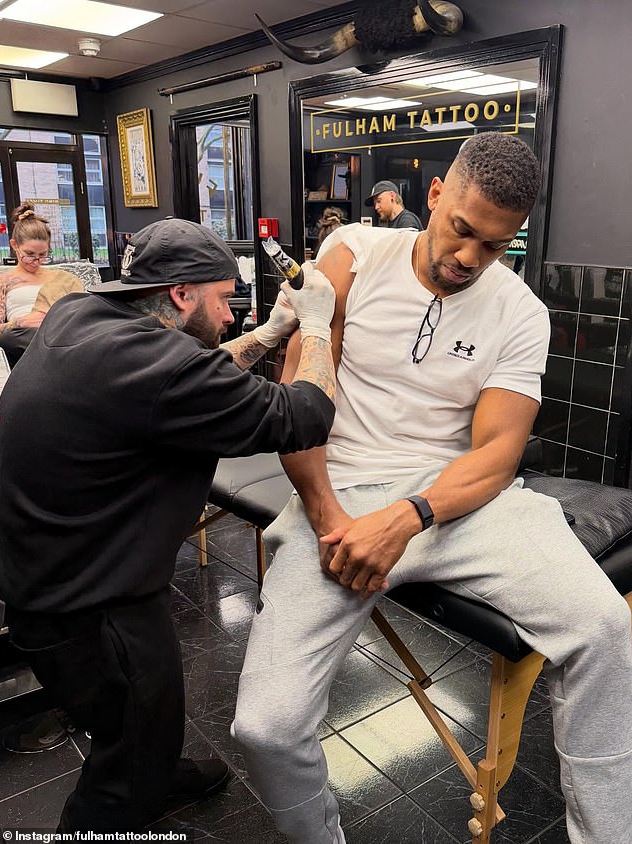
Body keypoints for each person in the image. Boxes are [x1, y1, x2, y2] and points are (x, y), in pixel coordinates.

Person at [233, 132, 632, 844]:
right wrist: (329, 518)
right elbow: (299, 402)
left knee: (606, 629)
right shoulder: (353, 253)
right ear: (436, 196)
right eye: (463, 232)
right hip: (341, 488)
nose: (470, 259)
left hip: (456, 500)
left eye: (496, 246)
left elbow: (499, 454)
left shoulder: (520, 312)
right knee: (265, 726)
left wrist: (408, 516)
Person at [0, 217, 337, 833]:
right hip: (88, 604)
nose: (231, 314)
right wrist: (315, 324)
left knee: (143, 711)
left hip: (47, 567)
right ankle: (132, 788)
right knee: (126, 752)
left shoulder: (84, 317)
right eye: (224, 299)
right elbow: (305, 414)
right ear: (181, 295)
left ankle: (155, 763)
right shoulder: (161, 365)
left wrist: (268, 332)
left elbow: (188, 375)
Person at [0, 203, 83, 365]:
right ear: (14, 245)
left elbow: (81, 314)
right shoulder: (3, 282)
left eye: (42, 255)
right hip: (23, 338)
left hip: (62, 332)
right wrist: (20, 322)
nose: (36, 261)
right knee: (9, 338)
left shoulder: (65, 279)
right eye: (29, 254)